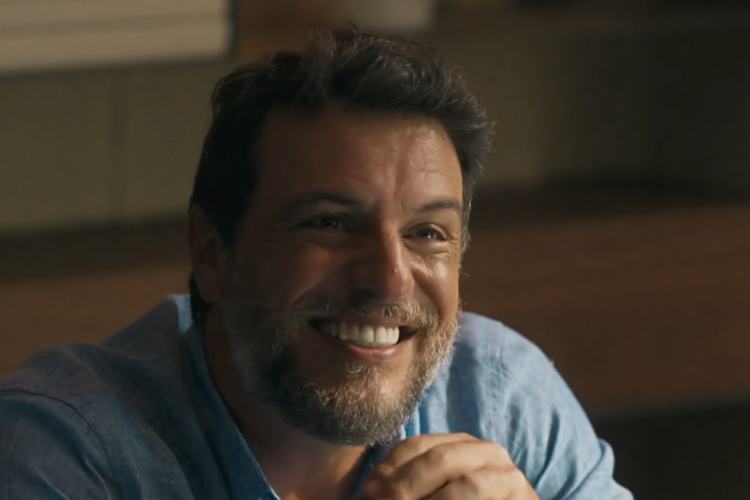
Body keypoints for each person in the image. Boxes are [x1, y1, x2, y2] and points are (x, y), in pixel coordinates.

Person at [0, 30, 631, 499]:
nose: (390, 277)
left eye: (427, 233)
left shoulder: (500, 396)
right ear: (213, 252)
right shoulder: (62, 449)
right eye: (330, 223)